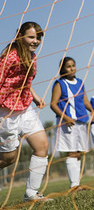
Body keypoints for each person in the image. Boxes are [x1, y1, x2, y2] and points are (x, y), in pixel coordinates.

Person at [0, 22, 51, 202]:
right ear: (20, 35)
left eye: (38, 38)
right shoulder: (9, 57)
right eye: (31, 37)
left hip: (25, 108)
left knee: (42, 146)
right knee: (9, 158)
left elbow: (24, 82)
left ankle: (31, 194)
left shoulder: (32, 56)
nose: (35, 41)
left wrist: (34, 96)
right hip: (6, 112)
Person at [50, 57, 94, 189]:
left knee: (79, 152)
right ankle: (74, 185)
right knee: (71, 152)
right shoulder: (60, 83)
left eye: (73, 65)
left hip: (81, 122)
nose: (71, 68)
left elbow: (85, 100)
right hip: (67, 123)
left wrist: (92, 111)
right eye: (68, 66)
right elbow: (53, 104)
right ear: (62, 69)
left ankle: (77, 183)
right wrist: (65, 117)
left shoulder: (80, 82)